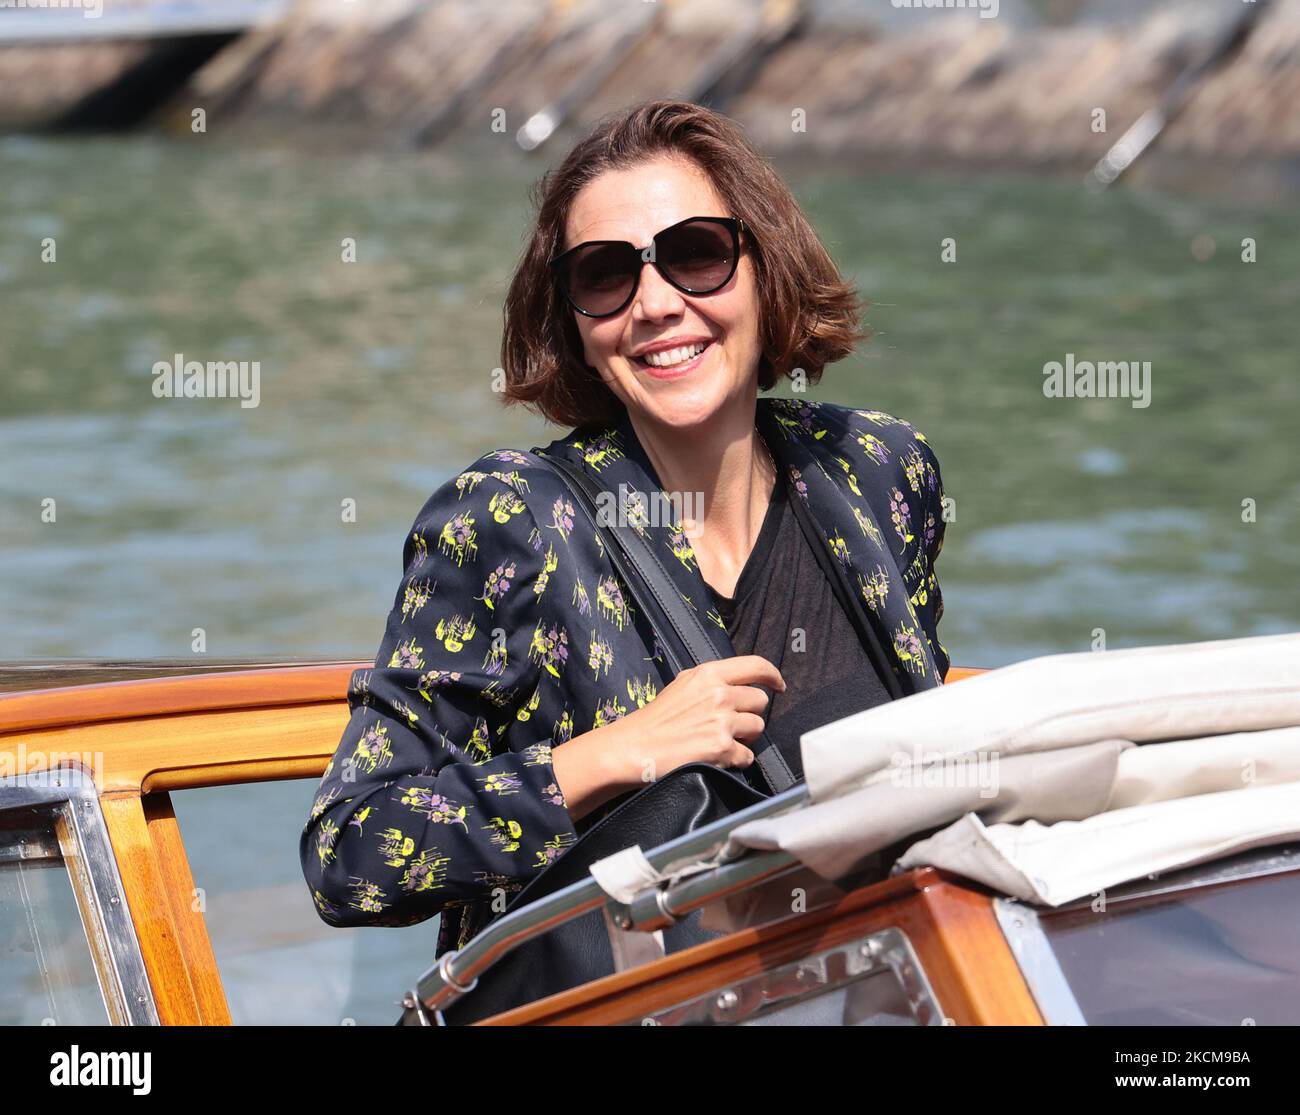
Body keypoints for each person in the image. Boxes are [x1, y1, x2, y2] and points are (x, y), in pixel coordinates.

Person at [300, 99, 949, 956]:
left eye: (695, 255)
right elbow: (348, 854)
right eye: (606, 274)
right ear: (572, 316)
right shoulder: (509, 518)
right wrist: (615, 755)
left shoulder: (874, 469)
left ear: (767, 265)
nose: (654, 303)